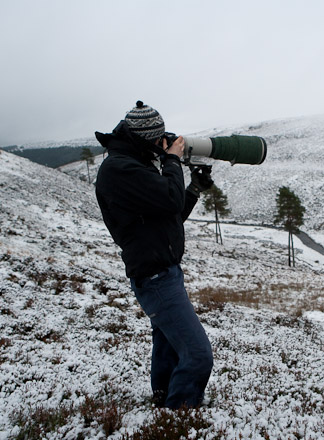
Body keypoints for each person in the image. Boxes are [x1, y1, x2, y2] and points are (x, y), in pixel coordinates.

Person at [94, 101, 214, 409]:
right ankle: (179, 414)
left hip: (163, 271)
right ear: (147, 139)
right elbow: (168, 198)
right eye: (159, 140)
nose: (163, 145)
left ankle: (163, 397)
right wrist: (172, 160)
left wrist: (194, 190)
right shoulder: (121, 169)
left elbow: (167, 215)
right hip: (155, 277)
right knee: (198, 354)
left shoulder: (134, 163)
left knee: (168, 344)